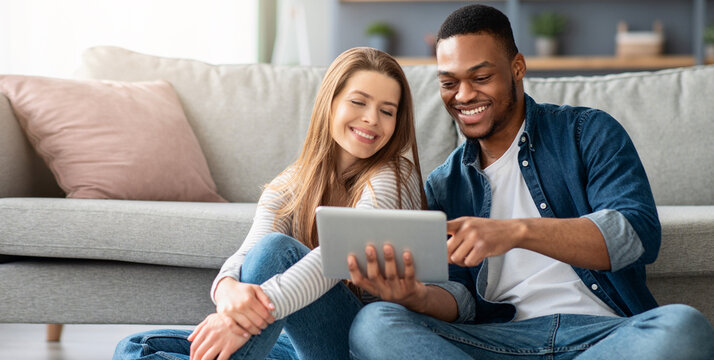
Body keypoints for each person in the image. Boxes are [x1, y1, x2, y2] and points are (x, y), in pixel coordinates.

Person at [347, 4, 714, 359]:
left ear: (517, 67)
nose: (463, 95)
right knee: (375, 324)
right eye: (448, 82)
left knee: (684, 326)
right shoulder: (444, 185)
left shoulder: (586, 132)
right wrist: (414, 296)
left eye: (480, 77)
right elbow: (457, 297)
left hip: (602, 336)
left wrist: (514, 232)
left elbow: (635, 233)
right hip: (500, 342)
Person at [113, 47, 429, 360]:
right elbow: (250, 251)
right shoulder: (292, 182)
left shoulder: (395, 176)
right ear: (329, 104)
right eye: (358, 102)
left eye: (387, 111)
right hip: (298, 341)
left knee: (278, 250)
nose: (372, 119)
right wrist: (226, 290)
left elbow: (338, 257)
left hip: (360, 344)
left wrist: (242, 316)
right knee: (136, 347)